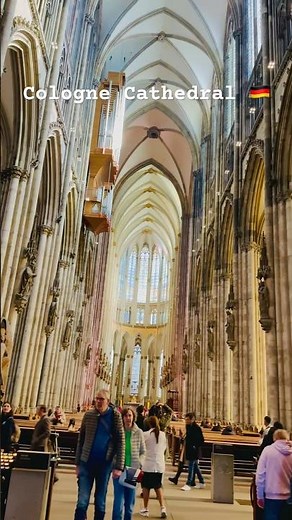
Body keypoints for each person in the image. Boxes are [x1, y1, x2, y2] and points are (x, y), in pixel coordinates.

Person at [74, 389, 125, 520]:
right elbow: (81, 439)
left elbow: (121, 440)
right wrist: (77, 463)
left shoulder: (115, 416)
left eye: (101, 399)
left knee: (100, 501)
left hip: (104, 464)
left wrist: (119, 466)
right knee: (82, 501)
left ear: (108, 401)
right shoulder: (88, 415)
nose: (98, 401)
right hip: (86, 463)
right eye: (97, 398)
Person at [112, 407, 146, 520]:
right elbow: (112, 449)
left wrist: (140, 463)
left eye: (130, 415)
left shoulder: (139, 432)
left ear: (133, 417)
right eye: (125, 416)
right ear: (122, 418)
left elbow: (143, 451)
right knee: (118, 502)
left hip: (133, 470)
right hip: (119, 469)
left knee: (130, 502)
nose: (128, 418)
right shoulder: (117, 431)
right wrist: (113, 465)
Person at [256, 429, 292, 519]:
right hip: (288, 496)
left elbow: (260, 475)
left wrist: (259, 495)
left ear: (274, 438)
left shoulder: (268, 451)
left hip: (271, 495)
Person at [140, 415, 167, 518]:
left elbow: (142, 448)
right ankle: (162, 508)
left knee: (146, 487)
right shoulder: (163, 435)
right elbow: (164, 448)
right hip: (159, 464)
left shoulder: (145, 434)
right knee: (158, 487)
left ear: (148, 424)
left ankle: (146, 509)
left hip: (148, 464)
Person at [181, 412, 205, 491]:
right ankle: (202, 482)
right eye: (186, 419)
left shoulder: (196, 428)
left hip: (195, 450)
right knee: (195, 467)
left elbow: (201, 440)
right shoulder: (188, 426)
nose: (186, 421)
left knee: (191, 466)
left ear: (192, 419)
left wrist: (195, 446)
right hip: (189, 449)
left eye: (188, 419)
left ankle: (188, 483)